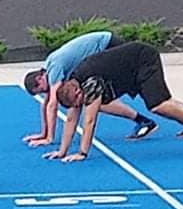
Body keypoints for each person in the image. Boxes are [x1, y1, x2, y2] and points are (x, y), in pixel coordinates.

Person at [49, 41, 183, 162]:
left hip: (142, 59)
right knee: (160, 104)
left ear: (78, 92)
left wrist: (82, 153)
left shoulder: (90, 83)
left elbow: (89, 121)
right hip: (128, 73)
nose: (80, 106)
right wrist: (62, 152)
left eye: (79, 102)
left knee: (158, 104)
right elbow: (71, 119)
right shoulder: (74, 84)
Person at [23, 31, 156, 147]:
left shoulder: (54, 68)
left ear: (40, 78)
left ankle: (145, 118)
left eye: (41, 89)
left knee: (96, 99)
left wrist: (49, 138)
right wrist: (43, 133)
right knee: (96, 98)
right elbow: (46, 103)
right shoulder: (50, 67)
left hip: (107, 45)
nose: (44, 92)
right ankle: (144, 120)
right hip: (100, 52)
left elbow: (52, 105)